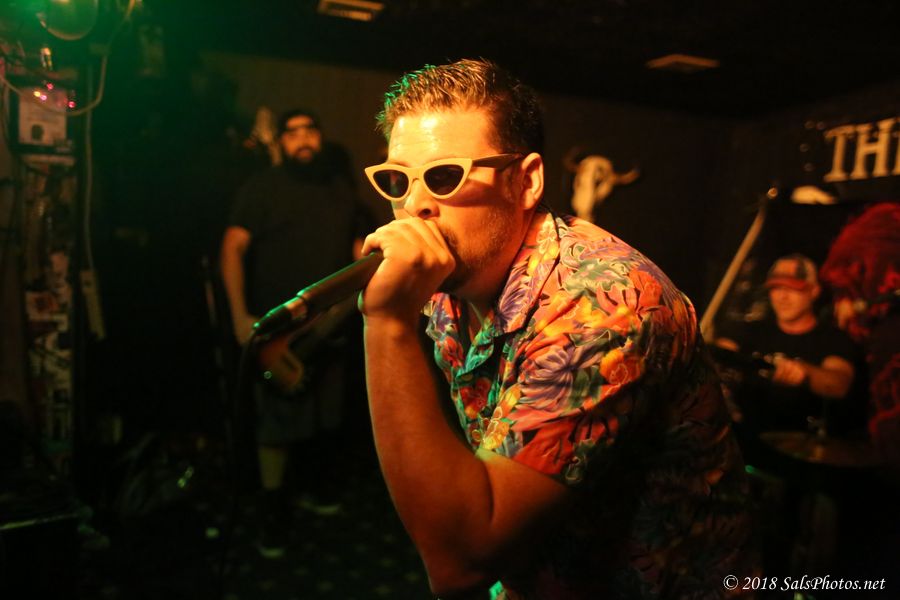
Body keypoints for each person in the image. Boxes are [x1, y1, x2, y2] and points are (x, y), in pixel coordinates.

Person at [358, 59, 750, 600]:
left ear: (526, 181)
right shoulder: (451, 281)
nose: (415, 205)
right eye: (399, 180)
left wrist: (386, 323)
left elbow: (460, 564)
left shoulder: (605, 305)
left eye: (445, 176)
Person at [220, 108, 369, 558]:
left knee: (325, 418)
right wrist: (239, 317)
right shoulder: (262, 187)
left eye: (310, 130)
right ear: (282, 142)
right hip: (279, 331)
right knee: (276, 426)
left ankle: (311, 492)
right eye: (293, 132)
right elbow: (231, 248)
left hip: (331, 330)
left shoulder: (341, 189)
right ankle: (272, 509)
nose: (303, 138)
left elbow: (359, 255)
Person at [716, 254, 857, 436]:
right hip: (745, 439)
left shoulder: (833, 339)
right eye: (776, 288)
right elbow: (718, 355)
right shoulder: (750, 331)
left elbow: (839, 384)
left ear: (814, 291)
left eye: (793, 288)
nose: (782, 297)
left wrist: (804, 373)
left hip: (801, 443)